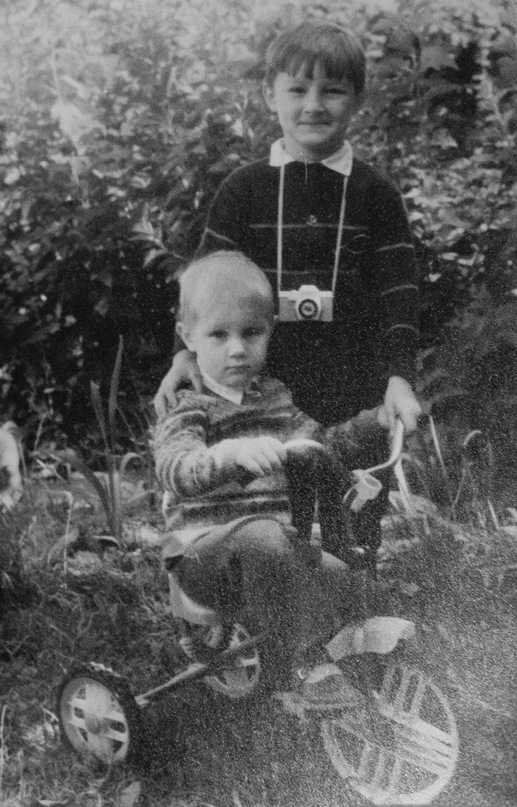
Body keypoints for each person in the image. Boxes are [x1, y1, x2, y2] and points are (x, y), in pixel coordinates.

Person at [153, 20, 422, 566]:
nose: (314, 105)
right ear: (269, 95)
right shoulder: (244, 189)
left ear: (358, 98)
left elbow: (400, 294)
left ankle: (355, 587)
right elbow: (206, 283)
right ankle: (262, 587)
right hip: (266, 378)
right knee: (275, 506)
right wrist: (184, 354)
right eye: (297, 89)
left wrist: (398, 376)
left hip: (354, 379)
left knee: (352, 502)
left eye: (333, 90)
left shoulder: (376, 194)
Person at [153, 251, 391, 702]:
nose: (237, 349)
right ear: (188, 337)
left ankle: (376, 667)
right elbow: (175, 468)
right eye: (219, 334)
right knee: (265, 536)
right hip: (202, 558)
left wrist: (373, 422)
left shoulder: (276, 399)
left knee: (348, 577)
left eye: (251, 333)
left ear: (269, 331)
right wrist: (230, 454)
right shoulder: (188, 407)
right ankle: (307, 666)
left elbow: (320, 444)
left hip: (273, 551)